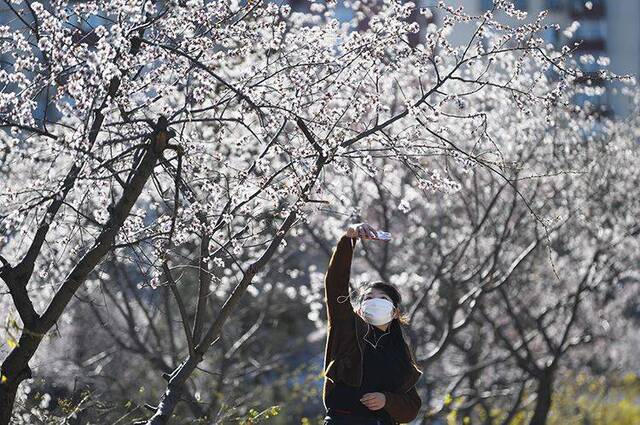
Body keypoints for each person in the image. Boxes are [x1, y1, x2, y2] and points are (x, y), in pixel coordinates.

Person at [322, 222, 424, 425]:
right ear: (359, 309)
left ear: (395, 312)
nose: (375, 302)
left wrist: (387, 400)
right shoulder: (347, 329)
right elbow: (335, 285)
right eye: (368, 298)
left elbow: (411, 407)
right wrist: (349, 239)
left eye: (383, 299)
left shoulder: (399, 349)